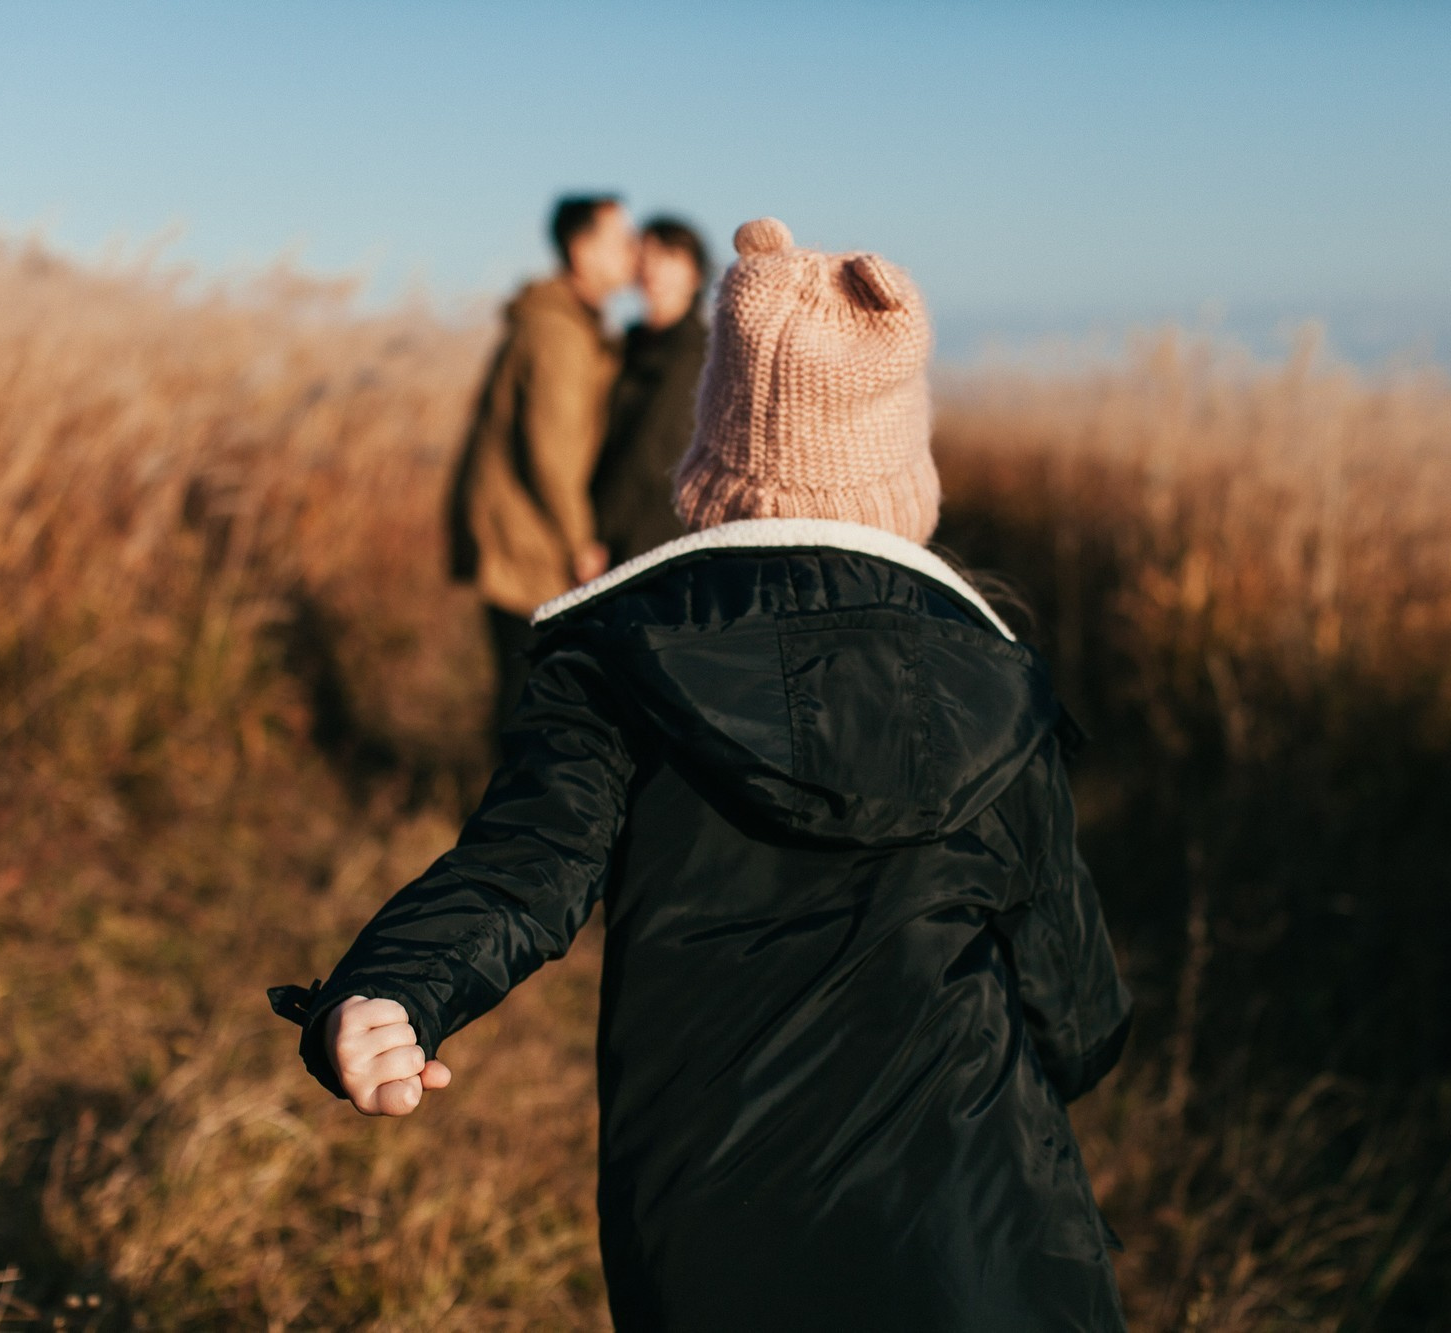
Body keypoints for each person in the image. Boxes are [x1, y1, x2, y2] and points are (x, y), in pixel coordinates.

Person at [272, 218, 1134, 1332]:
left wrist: (393, 985)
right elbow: (1079, 1018)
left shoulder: (617, 661)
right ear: (903, 476)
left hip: (712, 1234)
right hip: (983, 1243)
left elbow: (523, 867)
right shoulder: (999, 684)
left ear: (712, 464)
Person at [445, 194, 637, 738]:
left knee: (527, 687)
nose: (633, 251)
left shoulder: (573, 323)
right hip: (525, 538)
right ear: (581, 250)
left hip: (524, 532)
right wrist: (581, 542)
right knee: (526, 695)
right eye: (619, 240)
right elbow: (551, 450)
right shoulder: (557, 332)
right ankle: (503, 819)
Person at [590, 216, 711, 564]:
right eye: (646, 256)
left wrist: (600, 535)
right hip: (615, 525)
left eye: (669, 257)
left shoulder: (695, 353)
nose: (654, 270)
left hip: (652, 538)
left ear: (695, 274)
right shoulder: (628, 344)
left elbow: (649, 453)